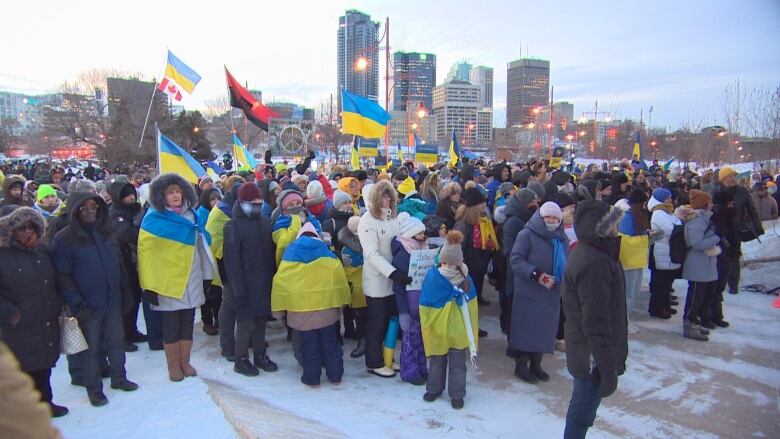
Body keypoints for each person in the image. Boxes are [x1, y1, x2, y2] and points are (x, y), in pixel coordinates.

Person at [52, 192, 138, 406]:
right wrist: (76, 302)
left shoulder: (106, 232)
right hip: (87, 304)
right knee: (90, 349)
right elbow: (63, 275)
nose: (90, 211)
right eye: (85, 208)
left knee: (116, 342)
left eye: (94, 207)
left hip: (112, 300)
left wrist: (126, 291)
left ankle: (119, 377)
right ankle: (94, 388)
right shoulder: (64, 239)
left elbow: (119, 265)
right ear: (75, 211)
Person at [137, 174, 215, 381]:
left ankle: (185, 362)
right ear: (162, 195)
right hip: (167, 282)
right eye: (170, 192)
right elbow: (146, 256)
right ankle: (173, 366)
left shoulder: (193, 217)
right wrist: (149, 286)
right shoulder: (153, 219)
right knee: (171, 325)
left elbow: (202, 248)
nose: (175, 195)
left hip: (191, 279)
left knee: (187, 323)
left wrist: (207, 277)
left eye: (178, 191)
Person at [562, 200, 627, 439]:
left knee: (583, 411)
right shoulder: (594, 262)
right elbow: (595, 321)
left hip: (590, 349)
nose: (617, 229)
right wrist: (608, 367)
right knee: (582, 412)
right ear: (599, 227)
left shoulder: (598, 254)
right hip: (591, 352)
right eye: (612, 224)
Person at [0, 207, 67, 417]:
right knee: (22, 368)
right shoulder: (3, 255)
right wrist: (9, 312)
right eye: (22, 228)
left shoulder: (42, 250)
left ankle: (45, 402)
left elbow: (55, 278)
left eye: (32, 227)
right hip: (15, 324)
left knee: (43, 364)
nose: (28, 232)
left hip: (44, 318)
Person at [272, 222, 350, 387]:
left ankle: (312, 379)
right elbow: (339, 281)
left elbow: (280, 283)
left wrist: (280, 314)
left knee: (308, 347)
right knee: (331, 345)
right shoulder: (327, 254)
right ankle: (336, 376)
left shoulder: (289, 254)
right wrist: (340, 306)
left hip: (300, 314)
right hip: (327, 312)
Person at [508, 202, 569, 383]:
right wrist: (536, 275)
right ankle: (521, 365)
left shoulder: (561, 237)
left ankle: (536, 364)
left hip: (551, 292)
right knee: (527, 329)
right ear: (540, 218)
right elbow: (516, 260)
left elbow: (567, 259)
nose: (551, 221)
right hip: (530, 291)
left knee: (545, 330)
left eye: (555, 218)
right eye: (548, 217)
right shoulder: (527, 234)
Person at [222, 182, 279, 376]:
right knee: (246, 323)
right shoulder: (233, 226)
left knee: (261, 320)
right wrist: (237, 289)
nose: (257, 204)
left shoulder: (262, 222)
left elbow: (269, 254)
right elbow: (231, 261)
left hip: (263, 282)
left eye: (259, 201)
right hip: (244, 284)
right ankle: (241, 359)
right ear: (243, 202)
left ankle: (260, 354)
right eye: (253, 201)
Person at [419, 230, 478, 410]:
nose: (448, 267)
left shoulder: (465, 278)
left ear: (459, 263)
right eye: (444, 262)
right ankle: (434, 388)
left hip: (458, 328)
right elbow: (426, 302)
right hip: (438, 326)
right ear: (440, 260)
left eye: (452, 264)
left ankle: (457, 394)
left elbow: (472, 303)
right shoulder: (433, 277)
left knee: (458, 364)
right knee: (437, 361)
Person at [357, 180, 404, 378]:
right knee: (376, 324)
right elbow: (372, 254)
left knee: (390, 322)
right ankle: (374, 361)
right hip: (377, 280)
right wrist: (392, 272)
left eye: (389, 196)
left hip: (394, 280)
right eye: (384, 196)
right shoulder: (367, 221)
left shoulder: (392, 218)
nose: (387, 200)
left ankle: (388, 358)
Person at [108, 181, 160, 352]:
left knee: (136, 297)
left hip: (136, 260)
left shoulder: (137, 209)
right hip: (122, 261)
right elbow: (129, 234)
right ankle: (122, 336)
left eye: (132, 194)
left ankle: (132, 331)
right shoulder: (115, 214)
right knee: (126, 299)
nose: (130, 197)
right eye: (126, 195)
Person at [392, 213, 430, 385]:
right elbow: (398, 287)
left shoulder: (421, 249)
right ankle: (410, 372)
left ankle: (421, 368)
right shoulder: (403, 253)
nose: (423, 237)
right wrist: (403, 312)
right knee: (410, 341)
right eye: (420, 234)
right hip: (409, 303)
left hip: (420, 302)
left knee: (420, 340)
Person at [207, 183, 243, 361]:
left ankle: (244, 339)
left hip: (235, 264)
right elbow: (217, 245)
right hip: (226, 266)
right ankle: (227, 345)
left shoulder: (227, 209)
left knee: (238, 303)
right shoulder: (221, 214)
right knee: (229, 305)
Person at [716, 167, 763, 295]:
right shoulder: (717, 191)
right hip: (722, 228)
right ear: (723, 179)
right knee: (722, 257)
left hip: (737, 227)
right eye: (729, 176)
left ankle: (733, 286)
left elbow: (751, 209)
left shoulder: (742, 191)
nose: (732, 179)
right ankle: (720, 284)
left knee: (735, 256)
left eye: (733, 176)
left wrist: (757, 227)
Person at [682, 190, 720, 342]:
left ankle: (694, 323)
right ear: (704, 205)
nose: (712, 205)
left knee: (700, 297)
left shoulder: (704, 219)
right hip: (697, 264)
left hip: (705, 264)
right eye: (709, 202)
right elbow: (696, 244)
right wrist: (717, 237)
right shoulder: (697, 221)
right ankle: (689, 325)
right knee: (694, 298)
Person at [501, 188, 539, 335]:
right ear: (526, 203)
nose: (537, 204)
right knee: (512, 304)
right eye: (534, 201)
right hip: (515, 270)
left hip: (524, 268)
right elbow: (510, 249)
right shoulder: (513, 221)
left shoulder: (526, 216)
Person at [454, 187, 498, 311]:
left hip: (480, 262)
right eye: (481, 203)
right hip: (469, 264)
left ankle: (478, 298)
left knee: (478, 283)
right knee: (468, 296)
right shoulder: (463, 224)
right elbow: (458, 247)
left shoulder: (483, 218)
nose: (485, 205)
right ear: (474, 206)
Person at [616, 189, 652, 333]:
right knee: (627, 294)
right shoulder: (626, 216)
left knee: (634, 292)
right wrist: (646, 237)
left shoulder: (637, 214)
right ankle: (622, 322)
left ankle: (626, 319)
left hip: (637, 259)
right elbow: (625, 238)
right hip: (628, 260)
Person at [648, 188, 681, 319]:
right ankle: (657, 308)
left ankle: (665, 305)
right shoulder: (658, 213)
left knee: (666, 282)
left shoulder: (666, 211)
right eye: (668, 198)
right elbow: (670, 229)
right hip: (661, 250)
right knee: (660, 283)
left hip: (666, 250)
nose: (671, 199)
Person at [710, 191, 738, 329]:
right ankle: (713, 315)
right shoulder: (718, 218)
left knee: (719, 287)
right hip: (720, 256)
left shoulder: (728, 215)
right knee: (716, 287)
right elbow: (720, 236)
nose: (732, 205)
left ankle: (716, 315)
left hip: (727, 255)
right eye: (729, 203)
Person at [196, 187, 223, 336]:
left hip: (216, 256)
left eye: (217, 198)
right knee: (207, 292)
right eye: (212, 199)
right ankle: (207, 322)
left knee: (217, 291)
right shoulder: (201, 214)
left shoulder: (219, 213)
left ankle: (219, 319)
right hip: (205, 258)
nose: (216, 202)